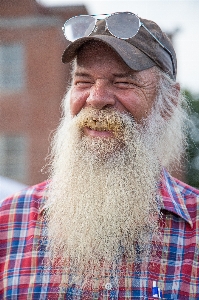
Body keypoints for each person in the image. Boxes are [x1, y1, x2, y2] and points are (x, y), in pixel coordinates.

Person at [0, 11, 199, 300]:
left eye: (123, 83)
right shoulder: (8, 223)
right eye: (83, 81)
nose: (96, 98)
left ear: (168, 102)